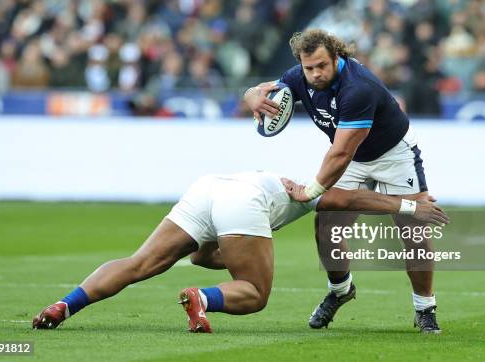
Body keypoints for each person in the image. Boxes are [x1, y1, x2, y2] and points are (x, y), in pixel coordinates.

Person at [32, 171, 448, 333]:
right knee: (254, 292)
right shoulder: (314, 182)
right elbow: (355, 200)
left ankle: (63, 306)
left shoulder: (282, 170)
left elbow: (200, 256)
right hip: (243, 202)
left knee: (139, 263)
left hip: (208, 188)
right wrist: (411, 205)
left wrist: (240, 251)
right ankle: (203, 299)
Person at [244, 29, 442, 333]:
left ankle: (424, 307)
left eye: (322, 65)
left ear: (337, 56)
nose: (315, 74)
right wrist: (252, 97)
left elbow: (340, 154)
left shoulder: (357, 88)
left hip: (393, 154)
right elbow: (260, 90)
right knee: (327, 223)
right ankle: (340, 291)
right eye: (309, 68)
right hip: (350, 155)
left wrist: (310, 191)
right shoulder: (298, 76)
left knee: (413, 228)